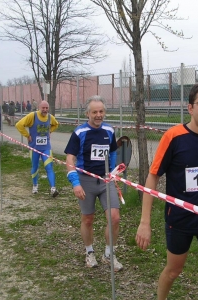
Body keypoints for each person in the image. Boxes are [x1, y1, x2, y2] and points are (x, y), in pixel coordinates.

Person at [135, 83, 198, 300]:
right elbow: (153, 176)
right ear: (190, 108)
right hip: (179, 221)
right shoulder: (174, 137)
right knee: (173, 271)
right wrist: (145, 222)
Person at [64, 95, 123, 271]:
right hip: (85, 180)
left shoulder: (109, 130)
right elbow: (69, 158)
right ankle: (89, 252)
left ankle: (108, 254)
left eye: (101, 111)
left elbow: (113, 151)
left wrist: (112, 171)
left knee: (114, 218)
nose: (98, 115)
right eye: (94, 112)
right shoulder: (79, 132)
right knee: (88, 219)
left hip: (106, 180)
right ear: (87, 113)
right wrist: (75, 183)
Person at [15, 100, 60, 197]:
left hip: (46, 147)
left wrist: (50, 131)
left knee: (49, 167)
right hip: (34, 147)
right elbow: (19, 125)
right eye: (43, 108)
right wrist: (27, 135)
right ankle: (35, 185)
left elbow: (56, 124)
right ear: (39, 108)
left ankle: (53, 188)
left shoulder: (50, 117)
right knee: (35, 167)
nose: (45, 110)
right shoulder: (32, 116)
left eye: (46, 108)